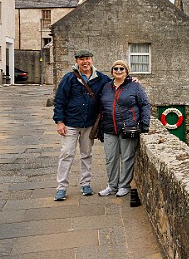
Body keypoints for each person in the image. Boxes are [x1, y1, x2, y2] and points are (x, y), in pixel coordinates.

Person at [53, 49, 111, 201]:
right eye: (81, 59)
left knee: (86, 154)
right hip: (71, 123)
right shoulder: (69, 78)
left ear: (92, 60)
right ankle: (61, 187)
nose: (85, 62)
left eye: (87, 59)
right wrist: (59, 122)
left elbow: (117, 82)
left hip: (89, 124)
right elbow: (59, 100)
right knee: (66, 154)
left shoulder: (101, 78)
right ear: (77, 62)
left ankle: (85, 184)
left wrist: (132, 80)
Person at [98, 60, 150, 198]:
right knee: (110, 159)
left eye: (122, 68)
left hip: (128, 127)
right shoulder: (106, 87)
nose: (119, 70)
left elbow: (144, 104)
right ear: (112, 71)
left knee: (127, 158)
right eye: (116, 68)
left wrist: (145, 124)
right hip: (109, 128)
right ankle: (112, 186)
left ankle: (124, 186)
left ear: (127, 71)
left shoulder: (135, 86)